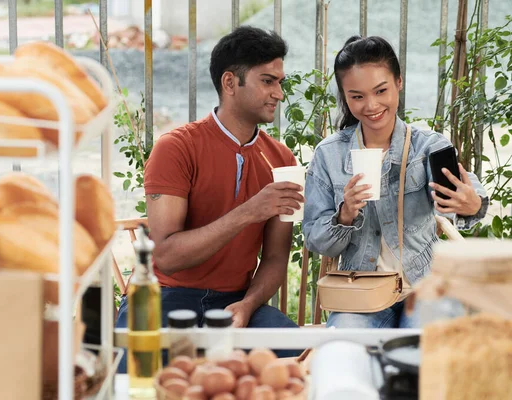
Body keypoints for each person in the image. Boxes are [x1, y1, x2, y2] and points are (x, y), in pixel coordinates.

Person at [115, 26, 304, 365]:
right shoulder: (176, 148)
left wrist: (247, 305)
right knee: (132, 379)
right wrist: (249, 211)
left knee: (305, 360)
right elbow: (168, 256)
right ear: (230, 83)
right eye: (267, 81)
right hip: (165, 296)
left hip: (235, 303)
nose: (279, 93)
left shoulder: (282, 160)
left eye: (279, 82)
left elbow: (275, 259)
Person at [302, 36, 488, 329]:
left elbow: (472, 196)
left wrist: (471, 204)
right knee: (345, 349)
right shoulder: (329, 154)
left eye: (381, 90)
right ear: (345, 96)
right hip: (360, 290)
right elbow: (315, 240)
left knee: (427, 351)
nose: (371, 105)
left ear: (398, 83)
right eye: (357, 96)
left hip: (426, 287)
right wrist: (345, 215)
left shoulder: (428, 146)